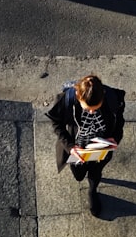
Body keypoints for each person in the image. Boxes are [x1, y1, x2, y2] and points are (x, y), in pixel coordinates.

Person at [46, 75, 127, 216]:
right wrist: (70, 147)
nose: (92, 112)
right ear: (78, 97)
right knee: (78, 174)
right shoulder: (66, 100)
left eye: (96, 108)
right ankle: (85, 178)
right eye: (88, 108)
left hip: (101, 148)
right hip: (77, 149)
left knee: (96, 173)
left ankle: (92, 190)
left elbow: (119, 122)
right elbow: (56, 123)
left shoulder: (114, 99)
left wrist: (115, 139)